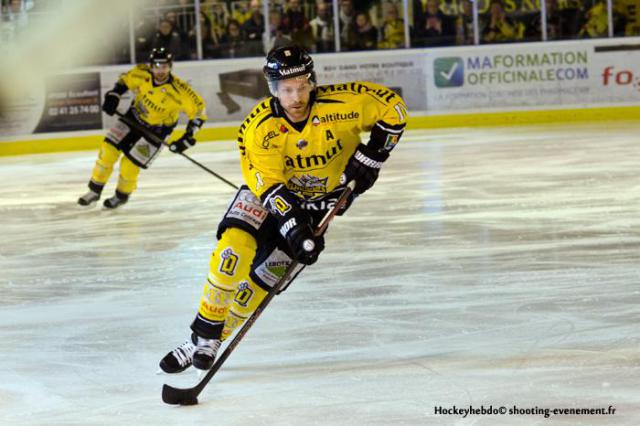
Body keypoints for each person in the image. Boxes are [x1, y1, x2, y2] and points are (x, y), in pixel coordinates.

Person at [159, 45, 408, 374]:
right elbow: (270, 187)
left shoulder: (343, 103)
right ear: (273, 88)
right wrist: (294, 228)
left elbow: (395, 110)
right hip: (266, 197)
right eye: (287, 89)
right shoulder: (258, 127)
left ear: (312, 81)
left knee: (262, 281)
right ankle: (203, 335)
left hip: (321, 204)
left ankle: (211, 341)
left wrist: (372, 157)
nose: (297, 97)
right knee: (231, 253)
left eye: (303, 86)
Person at [77, 47, 207, 209]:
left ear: (170, 66)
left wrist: (187, 137)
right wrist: (114, 94)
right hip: (132, 119)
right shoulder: (141, 73)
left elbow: (199, 112)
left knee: (129, 165)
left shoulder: (180, 91)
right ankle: (94, 191)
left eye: (165, 66)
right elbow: (125, 81)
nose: (160, 70)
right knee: (108, 152)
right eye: (157, 66)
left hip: (156, 131)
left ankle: (121, 196)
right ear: (151, 66)